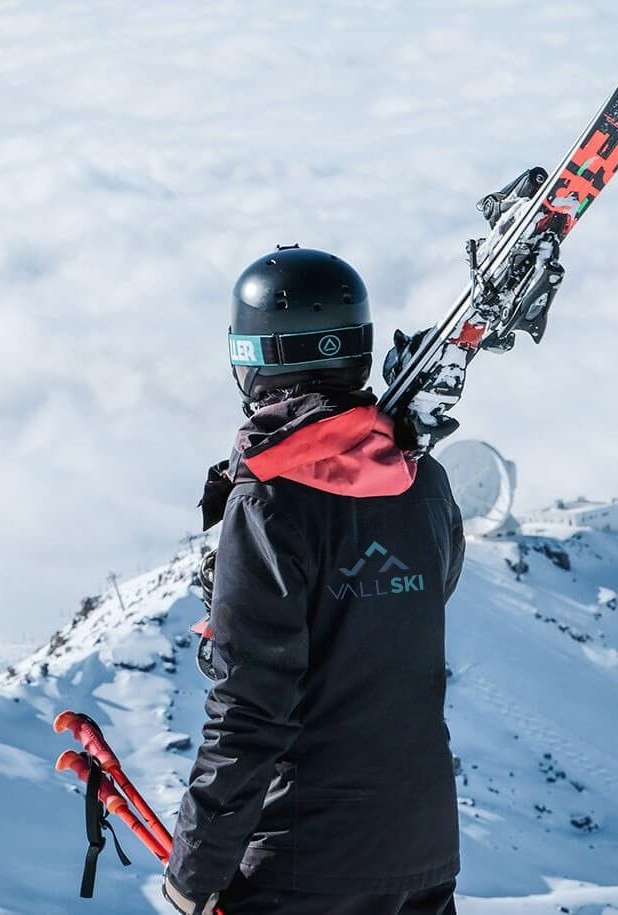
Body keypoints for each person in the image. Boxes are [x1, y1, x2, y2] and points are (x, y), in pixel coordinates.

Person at [162, 246, 465, 915]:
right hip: (420, 848)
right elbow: (409, 603)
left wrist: (193, 869)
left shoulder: (270, 499)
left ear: (255, 359)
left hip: (306, 858)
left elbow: (249, 707)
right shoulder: (424, 480)